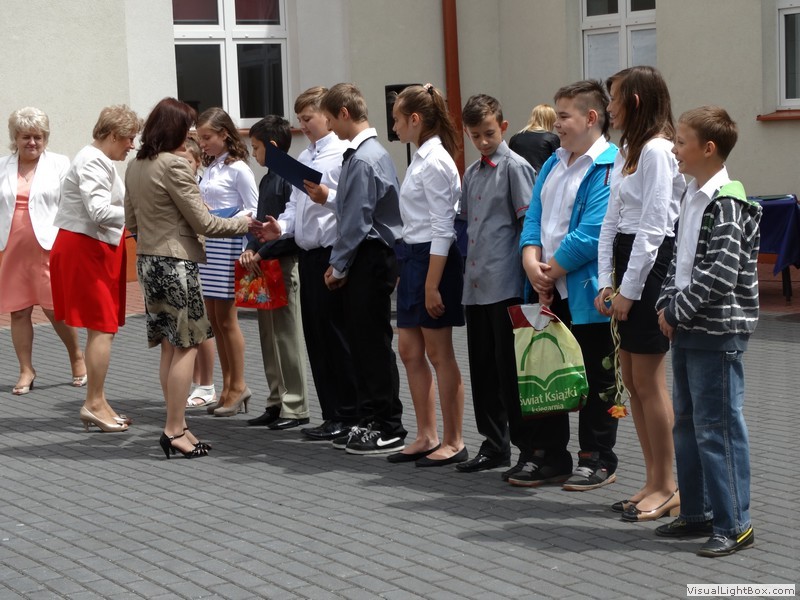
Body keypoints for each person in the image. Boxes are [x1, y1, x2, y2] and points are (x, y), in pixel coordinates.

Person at [124, 97, 255, 458]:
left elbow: (132, 222)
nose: (191, 135)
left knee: (170, 346)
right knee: (186, 346)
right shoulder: (174, 166)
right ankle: (173, 430)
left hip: (148, 261)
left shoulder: (136, 165)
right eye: (187, 128)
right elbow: (205, 222)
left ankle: (178, 424)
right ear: (174, 129)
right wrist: (244, 223)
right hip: (176, 264)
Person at [655, 106, 760, 557]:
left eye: (681, 142)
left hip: (716, 333)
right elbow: (677, 262)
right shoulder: (691, 196)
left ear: (708, 148)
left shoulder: (728, 203)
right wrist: (665, 305)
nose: (675, 150)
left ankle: (735, 523)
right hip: (687, 328)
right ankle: (696, 512)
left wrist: (676, 311)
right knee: (688, 426)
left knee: (718, 429)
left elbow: (721, 272)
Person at [515, 80, 619, 491]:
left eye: (563, 116)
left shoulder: (609, 165)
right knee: (547, 370)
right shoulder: (552, 163)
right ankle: (549, 455)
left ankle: (597, 457)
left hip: (587, 294)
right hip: (545, 286)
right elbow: (534, 218)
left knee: (597, 376)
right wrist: (531, 262)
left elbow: (593, 233)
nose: (555, 124)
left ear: (591, 118)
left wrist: (550, 271)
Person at [595, 66, 685, 520]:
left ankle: (669, 486)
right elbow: (610, 221)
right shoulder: (627, 150)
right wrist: (604, 282)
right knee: (630, 379)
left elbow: (654, 228)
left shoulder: (657, 150)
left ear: (633, 101)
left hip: (651, 267)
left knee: (649, 381)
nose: (607, 107)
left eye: (612, 98)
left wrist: (629, 291)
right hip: (627, 264)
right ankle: (652, 479)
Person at [248, 86, 359, 439]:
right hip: (308, 253)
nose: (303, 125)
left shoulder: (342, 153)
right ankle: (332, 414)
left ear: (327, 116)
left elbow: (351, 203)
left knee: (337, 337)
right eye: (299, 119)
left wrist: (328, 197)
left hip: (331, 252)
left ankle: (349, 414)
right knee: (317, 339)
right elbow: (296, 207)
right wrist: (279, 227)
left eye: (307, 118)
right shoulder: (306, 156)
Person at [314, 82, 406, 455]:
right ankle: (370, 418)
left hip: (371, 255)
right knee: (362, 342)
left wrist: (337, 265)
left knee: (372, 344)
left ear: (344, 114)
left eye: (330, 119)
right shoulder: (361, 154)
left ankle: (388, 424)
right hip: (366, 255)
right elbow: (351, 209)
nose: (329, 127)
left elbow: (356, 220)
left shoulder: (365, 158)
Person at [454, 94, 537, 476]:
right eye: (475, 136)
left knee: (510, 374)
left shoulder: (515, 168)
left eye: (489, 133)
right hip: (476, 285)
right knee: (483, 371)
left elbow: (528, 226)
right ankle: (493, 444)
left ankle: (527, 449)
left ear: (503, 127)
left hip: (506, 285)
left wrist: (529, 279)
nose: (483, 141)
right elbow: (468, 227)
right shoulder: (472, 173)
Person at [386, 84, 467, 467]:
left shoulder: (435, 161)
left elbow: (442, 228)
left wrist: (432, 284)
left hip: (434, 260)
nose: (395, 127)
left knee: (439, 353)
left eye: (397, 120)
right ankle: (426, 434)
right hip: (415, 259)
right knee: (409, 349)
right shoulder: (422, 157)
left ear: (415, 119)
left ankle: (454, 439)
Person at [50, 104, 141, 432]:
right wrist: (141, 212)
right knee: (101, 328)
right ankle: (93, 403)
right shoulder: (92, 160)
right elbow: (100, 212)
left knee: (103, 328)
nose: (132, 145)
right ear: (114, 135)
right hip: (86, 249)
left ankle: (98, 401)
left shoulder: (98, 159)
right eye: (129, 138)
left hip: (95, 248)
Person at [0, 107, 86, 394]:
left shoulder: (59, 164)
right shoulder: (2, 166)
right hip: (13, 248)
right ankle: (26, 370)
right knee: (18, 311)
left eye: (38, 137)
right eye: (26, 136)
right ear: (15, 138)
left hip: (50, 246)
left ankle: (76, 357)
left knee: (55, 310)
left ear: (46, 138)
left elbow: (71, 205)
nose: (32, 142)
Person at [239, 115, 309, 430]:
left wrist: (261, 251)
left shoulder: (290, 177)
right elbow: (260, 222)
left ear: (272, 146)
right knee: (268, 336)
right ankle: (276, 400)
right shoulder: (268, 178)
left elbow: (290, 229)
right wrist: (250, 248)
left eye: (256, 147)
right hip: (263, 263)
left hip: (283, 262)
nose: (253, 153)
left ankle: (295, 406)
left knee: (286, 336)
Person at [195, 107, 258, 417]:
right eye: (199, 138)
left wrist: (222, 216)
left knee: (227, 320)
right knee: (215, 320)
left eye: (207, 137)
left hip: (230, 245)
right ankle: (228, 385)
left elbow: (254, 209)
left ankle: (239, 384)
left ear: (224, 134)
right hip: (211, 246)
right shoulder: (211, 166)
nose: (202, 143)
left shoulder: (238, 169)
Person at [508, 103, 560, 172]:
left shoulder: (515, 138)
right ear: (551, 120)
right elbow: (559, 163)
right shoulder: (551, 138)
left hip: (518, 176)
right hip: (542, 177)